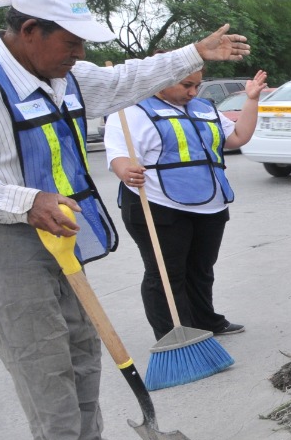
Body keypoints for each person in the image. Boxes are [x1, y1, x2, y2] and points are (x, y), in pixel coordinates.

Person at [0, 0, 250, 440]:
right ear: (30, 29)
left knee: (79, 350)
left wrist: (193, 51)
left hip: (58, 237)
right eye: (71, 41)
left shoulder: (63, 76)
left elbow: (127, 80)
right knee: (41, 362)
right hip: (0, 245)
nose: (78, 54)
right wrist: (23, 200)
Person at [105, 68, 267, 339]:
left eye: (197, 85)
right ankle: (174, 335)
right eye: (186, 85)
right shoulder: (132, 111)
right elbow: (118, 154)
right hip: (158, 205)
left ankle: (206, 321)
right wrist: (126, 171)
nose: (193, 92)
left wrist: (251, 100)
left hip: (210, 204)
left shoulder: (203, 108)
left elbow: (237, 137)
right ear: (160, 79)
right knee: (167, 274)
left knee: (201, 269)